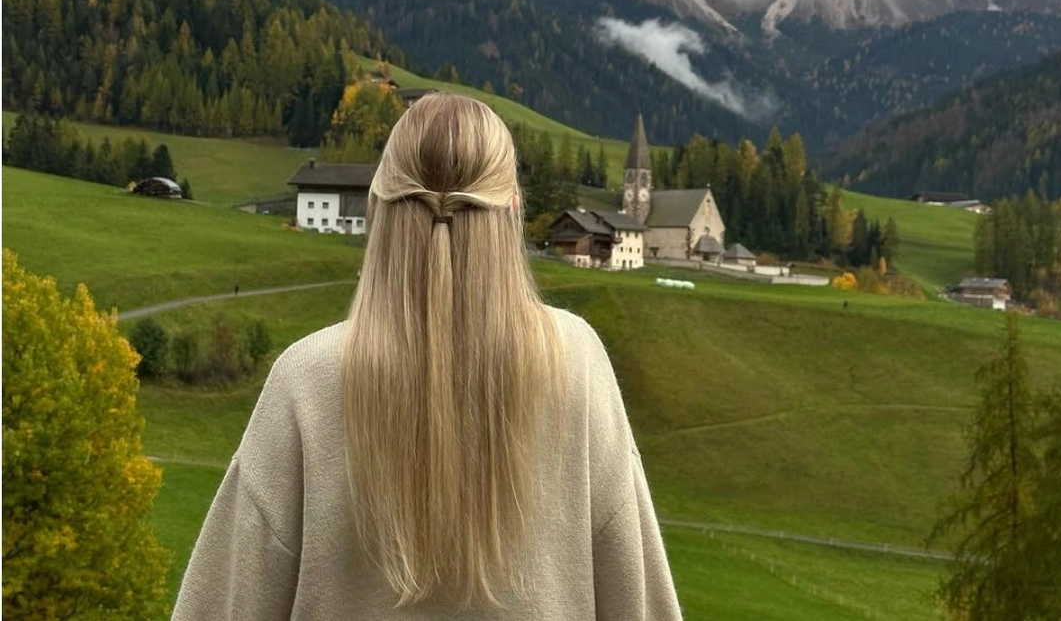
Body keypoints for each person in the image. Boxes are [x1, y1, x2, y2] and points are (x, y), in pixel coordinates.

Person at [172, 92, 682, 620]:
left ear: (378, 205)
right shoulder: (576, 360)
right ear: (513, 208)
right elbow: (640, 601)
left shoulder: (306, 379)